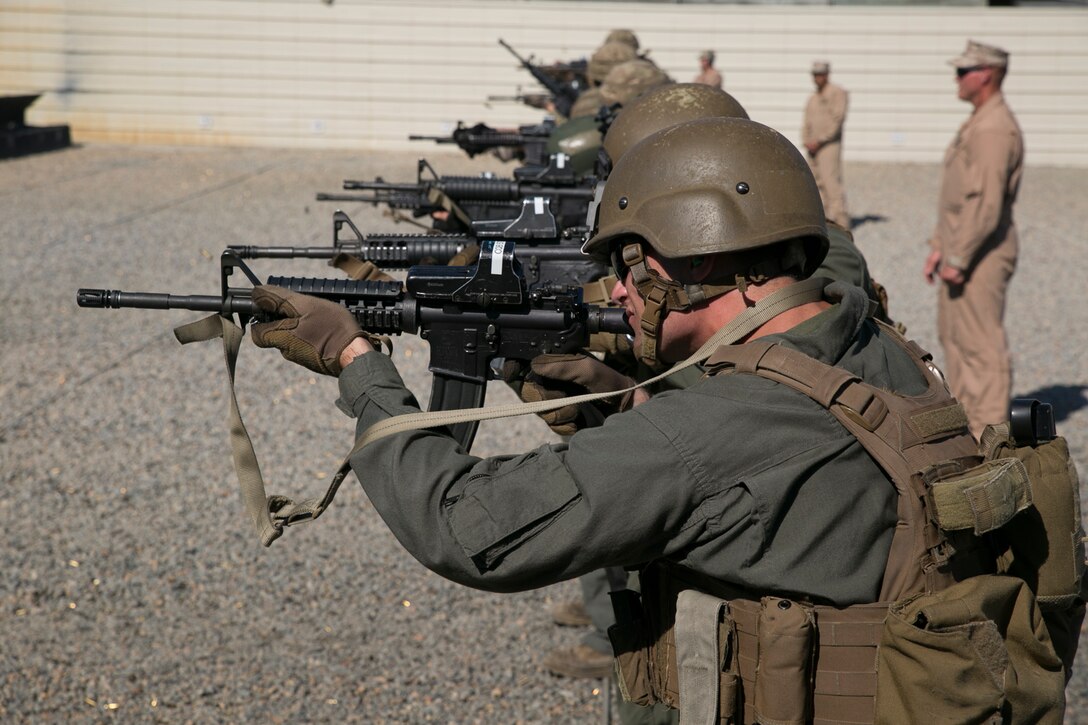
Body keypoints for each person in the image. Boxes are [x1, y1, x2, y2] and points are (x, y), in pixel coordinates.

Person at [247, 115, 1066, 722]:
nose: (619, 289)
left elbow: (467, 526)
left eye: (631, 261)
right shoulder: (875, 339)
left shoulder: (718, 426)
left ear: (701, 252)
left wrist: (357, 361)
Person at [923, 39, 1023, 439]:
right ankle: (969, 428)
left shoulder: (994, 129)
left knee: (981, 348)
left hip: (982, 254)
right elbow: (959, 197)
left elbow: (986, 204)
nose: (957, 79)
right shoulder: (980, 122)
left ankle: (991, 436)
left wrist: (959, 258)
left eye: (963, 71)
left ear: (986, 75)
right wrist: (939, 247)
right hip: (963, 249)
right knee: (956, 340)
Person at [802, 60, 850, 229]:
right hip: (812, 148)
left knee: (831, 183)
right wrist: (806, 140)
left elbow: (837, 120)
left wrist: (820, 140)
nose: (818, 78)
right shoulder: (813, 98)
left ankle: (841, 224)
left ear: (827, 74)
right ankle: (824, 223)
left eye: (821, 74)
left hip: (828, 146)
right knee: (816, 185)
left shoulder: (837, 93)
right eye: (815, 74)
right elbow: (807, 122)